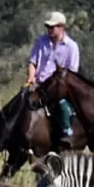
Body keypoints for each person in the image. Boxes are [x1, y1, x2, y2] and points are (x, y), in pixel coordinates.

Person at [25, 10, 80, 148]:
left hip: (56, 88)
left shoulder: (72, 47)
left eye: (52, 27)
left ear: (61, 27)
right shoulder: (41, 41)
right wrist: (31, 77)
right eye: (48, 27)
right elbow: (33, 63)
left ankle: (67, 135)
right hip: (38, 84)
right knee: (19, 104)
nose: (49, 30)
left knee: (62, 107)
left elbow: (72, 74)